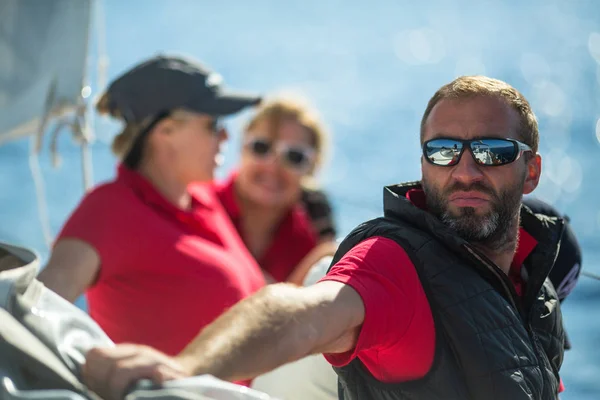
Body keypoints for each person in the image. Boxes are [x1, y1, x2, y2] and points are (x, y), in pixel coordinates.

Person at [82, 75, 566, 400]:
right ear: (422, 166)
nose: (464, 169)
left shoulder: (538, 290)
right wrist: (185, 370)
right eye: (442, 152)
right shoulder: (397, 261)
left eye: (492, 152)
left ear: (531, 172)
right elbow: (302, 313)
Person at [37, 55, 267, 369]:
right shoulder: (108, 211)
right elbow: (36, 313)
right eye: (213, 124)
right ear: (166, 130)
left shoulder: (201, 197)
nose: (226, 136)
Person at [214, 98, 337, 284]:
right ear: (241, 148)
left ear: (312, 168)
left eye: (294, 156)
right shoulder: (193, 206)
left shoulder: (308, 242)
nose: (273, 167)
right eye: (261, 147)